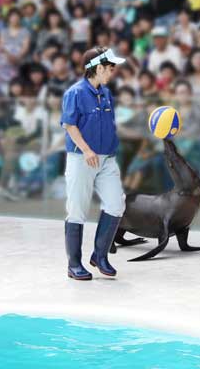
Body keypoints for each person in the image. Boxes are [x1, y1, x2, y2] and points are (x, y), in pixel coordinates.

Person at [61, 46, 127, 281]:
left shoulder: (106, 93)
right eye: (110, 68)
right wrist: (87, 149)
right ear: (98, 68)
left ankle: (99, 255)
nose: (113, 71)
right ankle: (74, 264)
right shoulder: (75, 93)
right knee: (77, 209)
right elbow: (70, 125)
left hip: (107, 159)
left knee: (116, 204)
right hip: (82, 159)